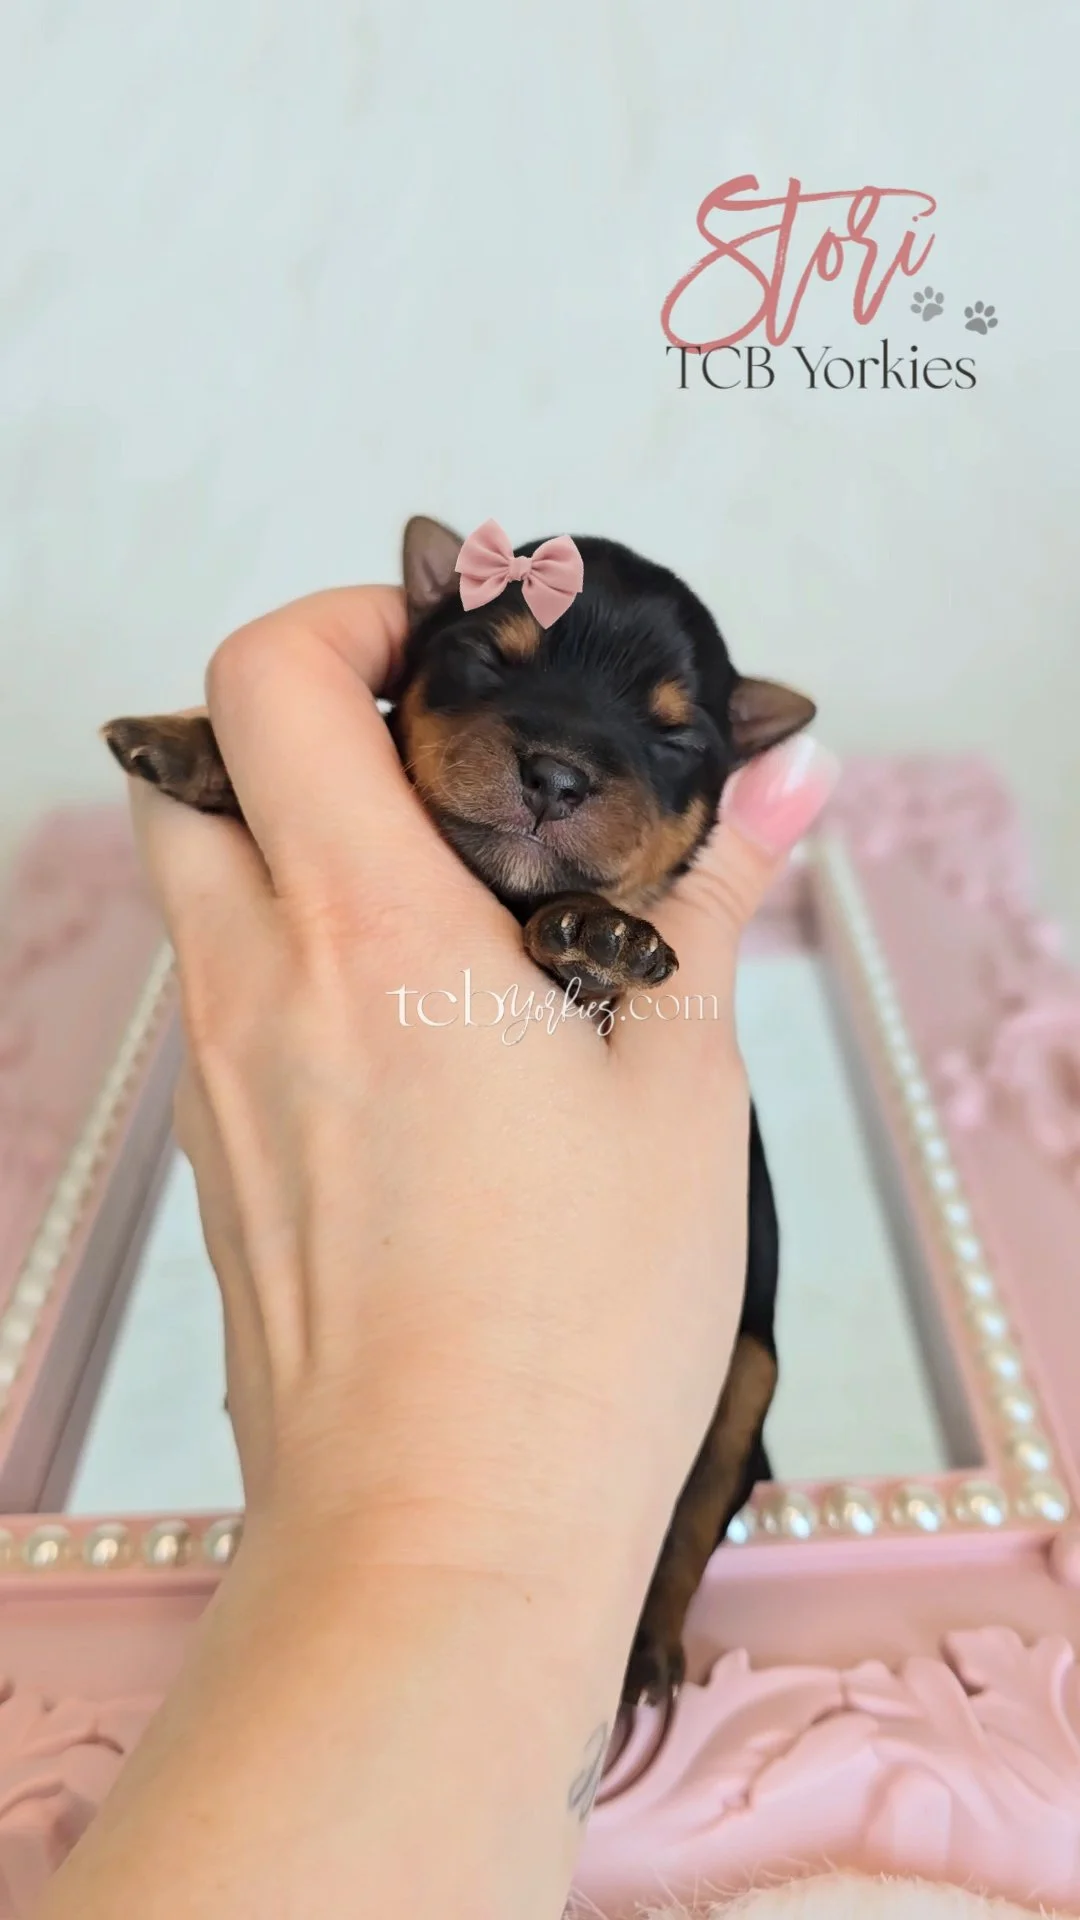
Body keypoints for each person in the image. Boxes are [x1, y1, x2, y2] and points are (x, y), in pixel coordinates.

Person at [41, 585, 838, 1920]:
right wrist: (242, 774)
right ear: (395, 688)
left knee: (743, 1392)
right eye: (485, 665)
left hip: (685, 1361)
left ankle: (662, 1606)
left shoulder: (636, 932)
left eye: (670, 738)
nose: (560, 762)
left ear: (727, 779)